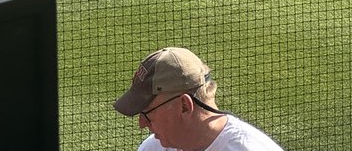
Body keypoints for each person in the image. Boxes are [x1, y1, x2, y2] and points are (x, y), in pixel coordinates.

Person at [113, 46, 285, 151]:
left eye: (147, 113)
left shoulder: (248, 148)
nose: (142, 124)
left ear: (185, 106)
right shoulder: (154, 148)